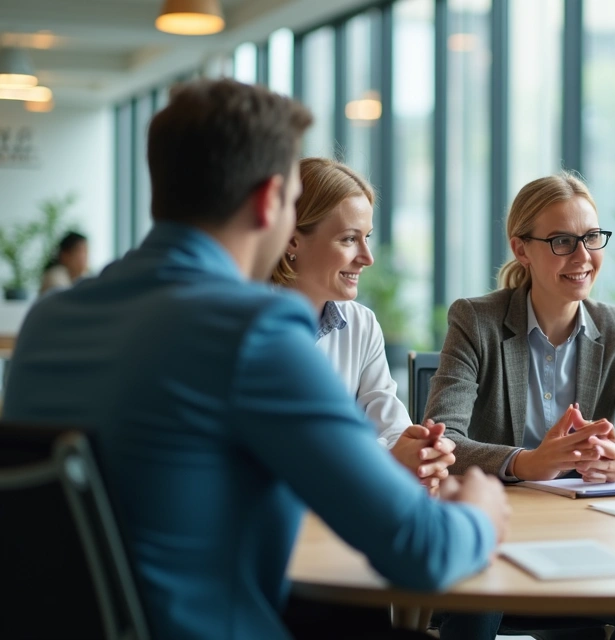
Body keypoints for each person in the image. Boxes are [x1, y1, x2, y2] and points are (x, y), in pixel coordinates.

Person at [2, 78, 509, 640]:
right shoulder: (251, 331)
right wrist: (481, 510)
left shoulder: (49, 322)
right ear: (271, 203)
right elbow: (423, 550)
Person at [425, 173, 615, 640]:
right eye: (562, 241)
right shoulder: (475, 321)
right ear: (522, 249)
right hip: (498, 528)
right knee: (477, 602)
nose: (583, 257)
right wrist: (527, 462)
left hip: (589, 530)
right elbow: (443, 440)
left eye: (591, 238)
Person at [270, 157, 454, 492]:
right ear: (293, 241)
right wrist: (387, 459)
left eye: (367, 236)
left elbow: (389, 425)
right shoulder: (247, 326)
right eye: (348, 239)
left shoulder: (361, 324)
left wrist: (420, 451)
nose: (367, 257)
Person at [39, 231, 88, 295]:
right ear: (65, 255)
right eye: (80, 252)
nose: (85, 257)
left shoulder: (80, 276)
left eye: (86, 252)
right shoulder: (55, 276)